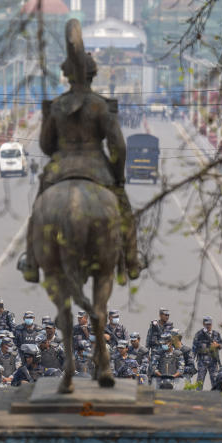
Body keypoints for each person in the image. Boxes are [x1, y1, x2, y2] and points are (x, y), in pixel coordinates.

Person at [18, 21, 140, 282]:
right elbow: (117, 145)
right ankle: (131, 260)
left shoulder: (57, 106)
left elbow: (45, 145)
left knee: (39, 210)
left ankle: (30, 261)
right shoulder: (100, 106)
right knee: (125, 211)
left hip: (60, 168)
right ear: (92, 75)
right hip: (98, 169)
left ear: (67, 75)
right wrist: (118, 176)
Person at [192, 317, 222, 390]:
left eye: (209, 324)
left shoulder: (216, 334)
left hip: (213, 361)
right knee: (200, 381)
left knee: (215, 381)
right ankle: (198, 398)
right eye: (206, 324)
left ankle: (215, 397)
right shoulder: (199, 334)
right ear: (203, 324)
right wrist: (191, 361)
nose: (208, 326)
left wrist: (217, 345)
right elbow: (194, 348)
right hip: (202, 362)